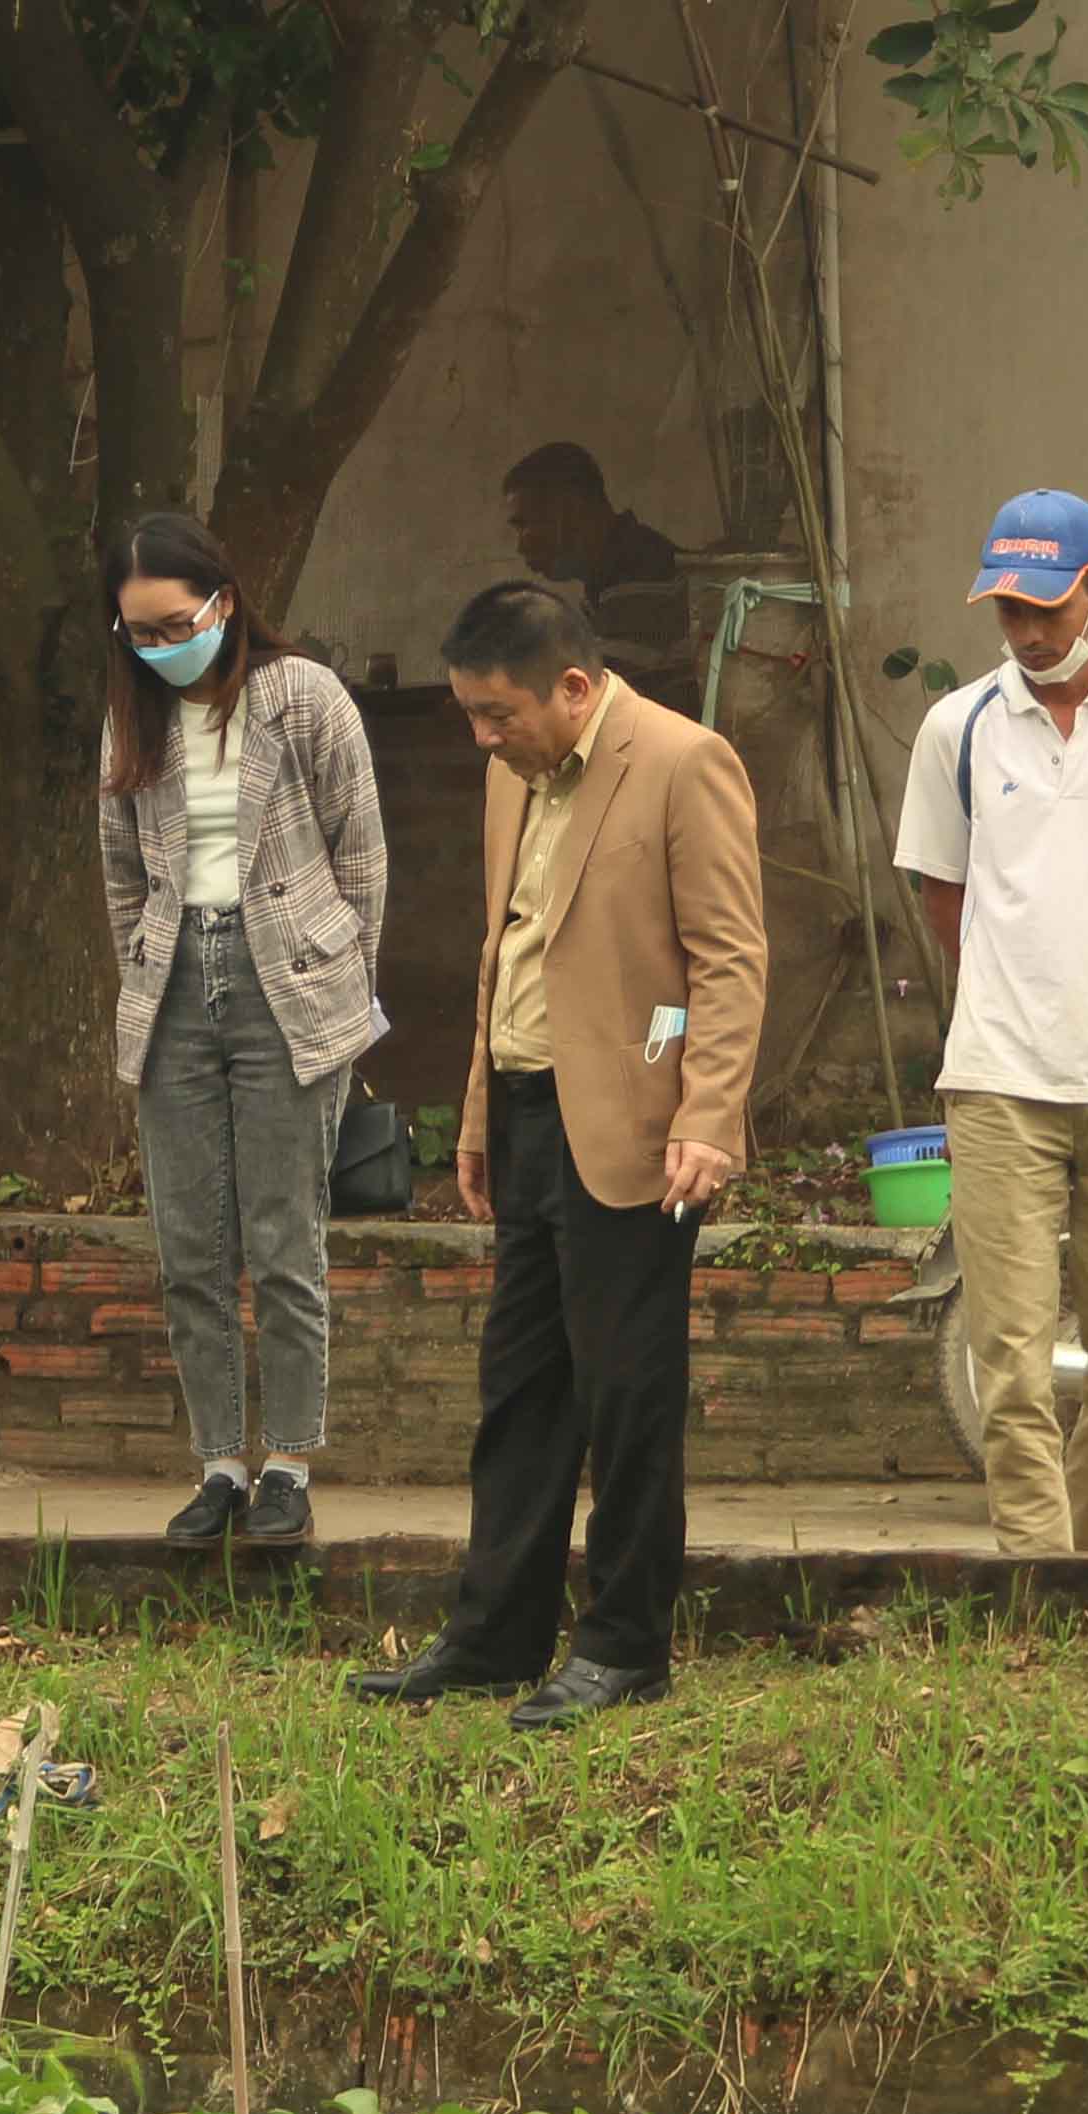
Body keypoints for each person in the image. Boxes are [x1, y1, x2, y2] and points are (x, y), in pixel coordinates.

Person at [354, 578, 766, 1729]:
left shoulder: (686, 764)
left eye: (499, 716)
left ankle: (627, 1643)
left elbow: (729, 959)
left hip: (640, 1123)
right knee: (520, 1388)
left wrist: (706, 1115)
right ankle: (495, 1636)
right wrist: (479, 1115)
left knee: (628, 1392)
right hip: (531, 1107)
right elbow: (507, 953)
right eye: (473, 717)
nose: (483, 739)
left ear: (574, 688)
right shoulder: (512, 778)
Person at [95, 508, 387, 1547]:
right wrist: (146, 966)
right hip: (175, 981)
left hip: (288, 978)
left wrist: (338, 979)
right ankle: (218, 1461)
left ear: (224, 600)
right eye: (143, 633)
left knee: (283, 1235)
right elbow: (122, 874)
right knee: (190, 1242)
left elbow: (361, 856)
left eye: (180, 622)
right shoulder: (132, 718)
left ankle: (289, 1464)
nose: (166, 646)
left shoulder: (302, 697)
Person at [895, 487, 1088, 1556]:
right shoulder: (954, 726)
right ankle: (1035, 1572)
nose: (1032, 632)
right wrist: (1014, 997)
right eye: (1010, 611)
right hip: (1000, 1079)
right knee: (1007, 1357)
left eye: (1050, 608)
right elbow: (945, 897)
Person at [500, 443, 686, 596]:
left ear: (572, 508)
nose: (521, 547)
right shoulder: (611, 577)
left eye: (524, 525)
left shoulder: (644, 584)